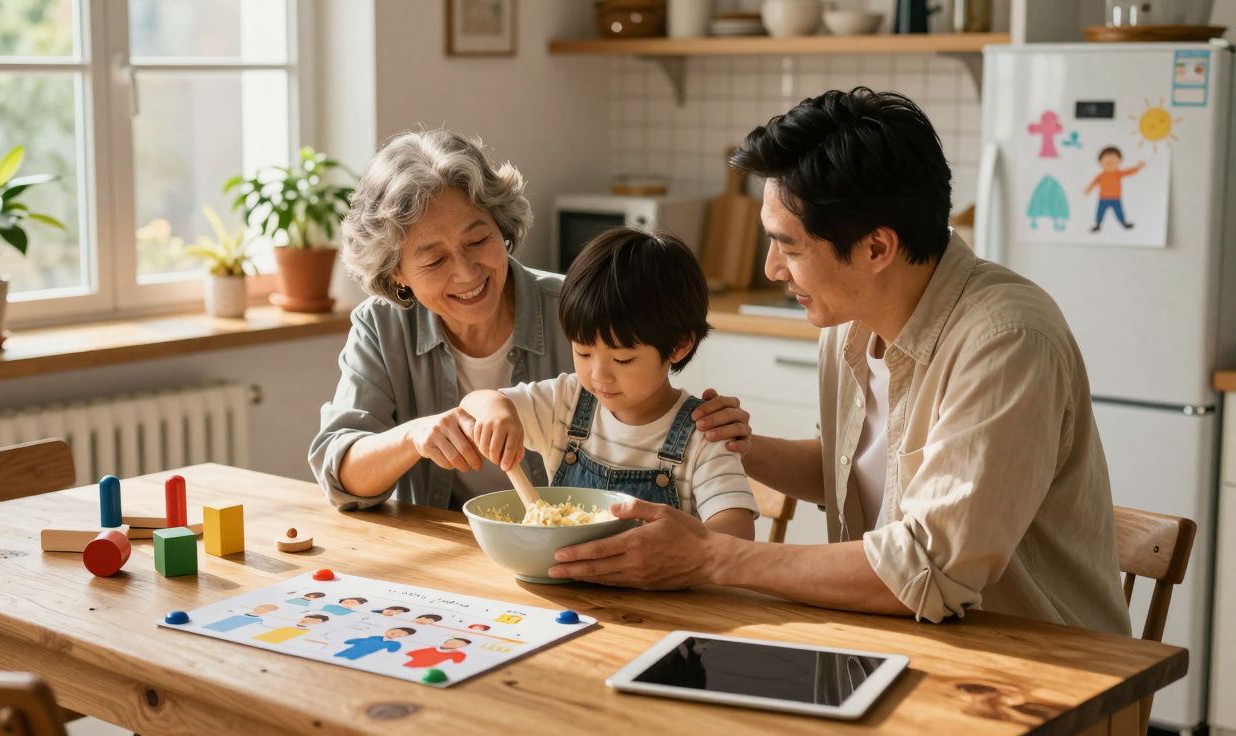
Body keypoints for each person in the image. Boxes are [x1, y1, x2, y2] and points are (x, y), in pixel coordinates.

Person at [549, 88, 1132, 635]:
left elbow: (928, 568)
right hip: (893, 638)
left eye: (789, 245)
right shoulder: (849, 318)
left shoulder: (1006, 341)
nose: (773, 269)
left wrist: (713, 556)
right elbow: (851, 469)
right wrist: (739, 447)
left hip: (1034, 666)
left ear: (877, 248)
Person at [308, 129, 746, 514]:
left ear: (502, 227)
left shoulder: (578, 312)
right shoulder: (382, 327)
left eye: (479, 239)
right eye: (435, 259)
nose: (466, 273)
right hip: (449, 561)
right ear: (396, 272)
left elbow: (656, 419)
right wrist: (413, 437)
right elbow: (341, 480)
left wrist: (708, 430)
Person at [460, 228, 757, 540]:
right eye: (583, 352)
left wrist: (690, 545)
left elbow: (736, 534)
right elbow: (477, 401)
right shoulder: (567, 401)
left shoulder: (705, 434)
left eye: (622, 360)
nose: (599, 375)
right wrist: (497, 412)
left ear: (678, 346)